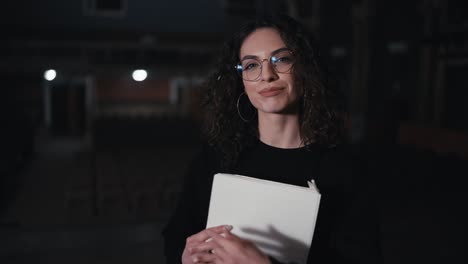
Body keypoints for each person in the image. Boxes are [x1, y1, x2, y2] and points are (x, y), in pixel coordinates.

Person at [162, 14, 381, 264]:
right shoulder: (214, 158)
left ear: (305, 69)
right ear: (241, 80)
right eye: (251, 65)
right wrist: (185, 256)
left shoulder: (345, 170)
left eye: (281, 59)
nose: (267, 75)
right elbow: (176, 236)